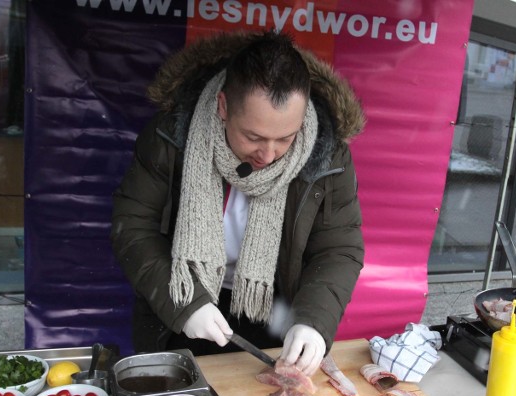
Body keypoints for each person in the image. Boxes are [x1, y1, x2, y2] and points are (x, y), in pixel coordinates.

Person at [111, 30, 365, 376]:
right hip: (185, 302)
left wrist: (314, 320)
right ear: (223, 106)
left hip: (275, 311)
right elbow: (133, 226)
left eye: (285, 138)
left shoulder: (327, 154)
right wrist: (185, 304)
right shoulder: (171, 136)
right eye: (253, 137)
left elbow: (339, 247)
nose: (269, 154)